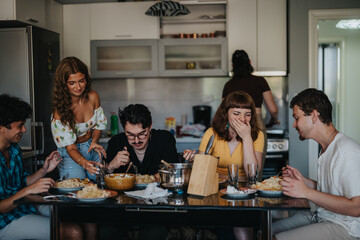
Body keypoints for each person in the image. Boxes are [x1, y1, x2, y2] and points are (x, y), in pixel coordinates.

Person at [273, 88, 360, 240]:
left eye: (297, 118)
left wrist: (305, 192)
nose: (294, 124)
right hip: (323, 217)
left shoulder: (347, 151)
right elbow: (332, 191)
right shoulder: (326, 148)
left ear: (314, 115)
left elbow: (356, 207)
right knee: (268, 230)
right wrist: (303, 181)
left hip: (345, 227)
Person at [0, 94, 83, 239]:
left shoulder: (13, 149)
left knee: (71, 215)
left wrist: (44, 170)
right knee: (73, 232)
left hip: (23, 206)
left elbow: (21, 181)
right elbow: (1, 208)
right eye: (20, 125)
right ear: (1, 128)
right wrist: (29, 190)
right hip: (4, 220)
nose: (24, 130)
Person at [183, 91, 264, 240]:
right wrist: (194, 158)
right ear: (226, 113)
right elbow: (202, 167)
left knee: (240, 222)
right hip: (216, 190)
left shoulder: (256, 135)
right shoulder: (212, 133)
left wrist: (246, 138)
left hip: (244, 191)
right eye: (237, 113)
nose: (242, 119)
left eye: (247, 114)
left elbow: (253, 174)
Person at [222, 49, 280, 179]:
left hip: (232, 124)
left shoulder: (229, 85)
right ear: (249, 62)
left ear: (233, 66)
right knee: (256, 166)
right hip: (256, 121)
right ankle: (254, 193)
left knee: (234, 160)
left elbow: (222, 110)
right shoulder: (260, 81)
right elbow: (273, 108)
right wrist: (274, 119)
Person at [51, 56, 107, 181]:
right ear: (63, 84)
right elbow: (71, 147)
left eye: (81, 81)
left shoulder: (93, 97)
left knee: (97, 185)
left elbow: (99, 125)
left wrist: (94, 141)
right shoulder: (60, 110)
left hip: (90, 147)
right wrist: (83, 162)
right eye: (72, 83)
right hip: (70, 152)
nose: (78, 87)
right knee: (76, 188)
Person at [105, 104, 178, 178]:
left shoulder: (164, 139)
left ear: (150, 127)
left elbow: (174, 172)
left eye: (142, 134)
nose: (136, 141)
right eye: (130, 135)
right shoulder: (115, 142)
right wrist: (110, 167)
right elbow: (103, 179)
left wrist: (150, 179)